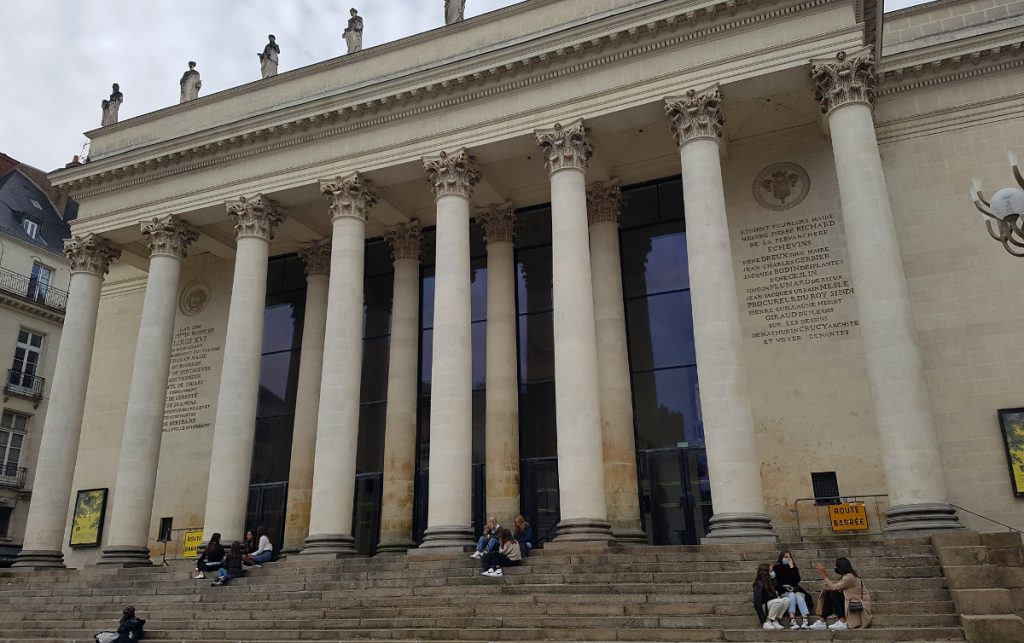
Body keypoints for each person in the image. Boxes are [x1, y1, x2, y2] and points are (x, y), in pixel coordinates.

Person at [810, 557, 872, 631]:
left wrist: (824, 576)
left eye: (837, 566)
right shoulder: (847, 576)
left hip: (857, 606)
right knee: (831, 592)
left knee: (833, 592)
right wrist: (826, 576)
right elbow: (835, 586)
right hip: (850, 603)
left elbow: (834, 587)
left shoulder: (849, 577)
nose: (835, 568)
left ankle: (841, 621)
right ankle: (822, 621)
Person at [773, 550, 813, 629]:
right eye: (785, 557)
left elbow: (796, 580)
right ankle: (792, 620)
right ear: (781, 558)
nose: (787, 559)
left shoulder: (793, 567)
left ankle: (805, 619)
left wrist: (792, 568)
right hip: (783, 590)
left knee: (798, 596)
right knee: (791, 595)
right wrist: (786, 587)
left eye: (789, 557)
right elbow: (778, 582)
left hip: (794, 589)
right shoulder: (776, 568)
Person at [752, 563, 790, 630]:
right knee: (779, 601)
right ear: (766, 572)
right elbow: (757, 602)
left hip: (773, 604)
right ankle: (767, 622)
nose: (773, 573)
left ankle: (775, 620)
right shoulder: (759, 583)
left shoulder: (771, 581)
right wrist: (762, 619)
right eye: (771, 571)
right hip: (764, 607)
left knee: (787, 600)